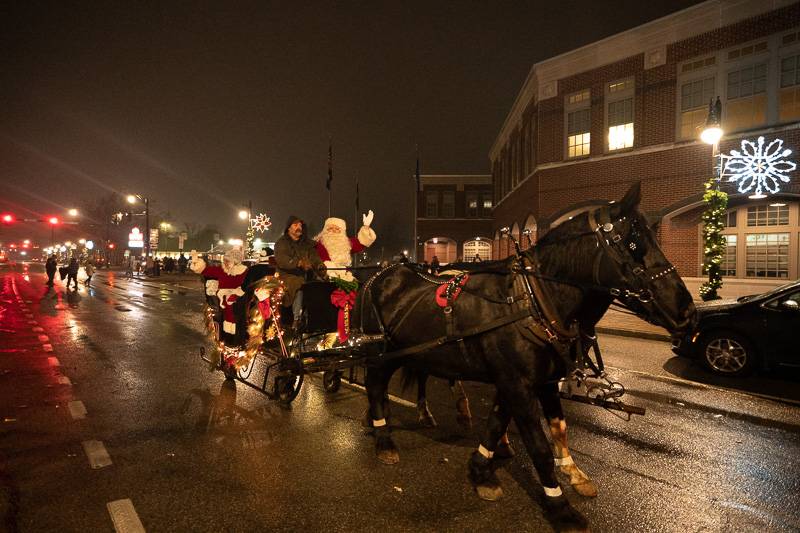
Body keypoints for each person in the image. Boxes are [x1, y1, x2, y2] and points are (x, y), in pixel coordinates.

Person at [274, 215, 322, 330]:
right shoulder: (281, 243)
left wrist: (321, 267)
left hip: (305, 275)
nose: (298, 227)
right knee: (298, 284)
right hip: (286, 276)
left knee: (320, 285)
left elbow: (315, 259)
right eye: (295, 225)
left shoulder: (307, 244)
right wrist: (298, 263)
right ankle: (297, 319)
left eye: (300, 225)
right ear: (289, 228)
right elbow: (282, 261)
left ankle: (318, 320)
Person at [190, 247, 248, 339]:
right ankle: (225, 342)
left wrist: (236, 294)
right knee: (222, 323)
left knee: (237, 323)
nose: (225, 263)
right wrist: (195, 260)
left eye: (228, 261)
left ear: (235, 261)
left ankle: (237, 342)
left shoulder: (244, 271)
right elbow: (205, 270)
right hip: (222, 302)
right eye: (225, 260)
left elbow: (247, 286)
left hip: (238, 302)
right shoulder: (222, 270)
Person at [314, 211, 376, 282]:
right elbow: (322, 260)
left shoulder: (345, 243)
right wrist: (332, 274)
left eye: (337, 229)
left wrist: (366, 227)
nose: (333, 230)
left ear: (342, 231)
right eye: (330, 228)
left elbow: (361, 243)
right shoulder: (320, 243)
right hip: (324, 277)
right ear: (325, 230)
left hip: (343, 275)